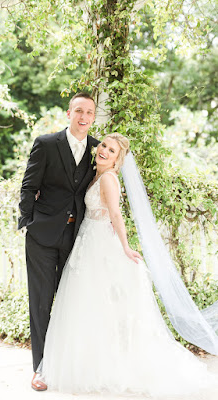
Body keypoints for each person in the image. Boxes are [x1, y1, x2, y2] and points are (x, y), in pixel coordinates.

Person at [39, 133, 218, 398]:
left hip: (100, 245)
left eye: (111, 151)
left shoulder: (109, 179)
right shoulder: (96, 175)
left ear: (117, 160)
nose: (104, 151)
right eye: (103, 145)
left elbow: (115, 215)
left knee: (103, 307)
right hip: (87, 244)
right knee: (87, 306)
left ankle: (109, 369)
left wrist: (124, 247)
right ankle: (91, 366)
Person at [18, 92, 100, 391]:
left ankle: (67, 363)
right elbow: (29, 187)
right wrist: (27, 222)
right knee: (40, 302)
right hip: (42, 236)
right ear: (69, 113)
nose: (83, 117)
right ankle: (41, 369)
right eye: (78, 110)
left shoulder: (97, 149)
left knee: (70, 302)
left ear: (93, 116)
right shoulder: (46, 144)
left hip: (77, 238)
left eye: (89, 112)